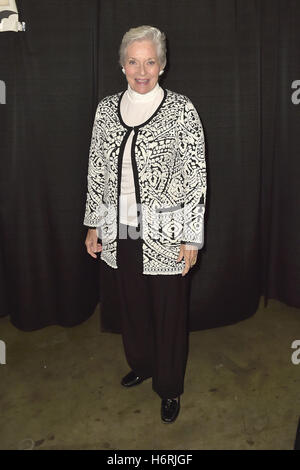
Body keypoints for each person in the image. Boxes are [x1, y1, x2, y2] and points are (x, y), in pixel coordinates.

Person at [84, 25, 207, 424]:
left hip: (167, 233)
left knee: (169, 313)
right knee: (132, 305)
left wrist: (192, 236)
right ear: (122, 65)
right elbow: (97, 171)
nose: (142, 70)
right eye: (134, 62)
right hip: (121, 229)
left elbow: (196, 177)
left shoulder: (181, 110)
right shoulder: (105, 110)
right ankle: (142, 364)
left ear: (162, 65)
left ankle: (169, 387)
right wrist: (93, 225)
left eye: (150, 61)